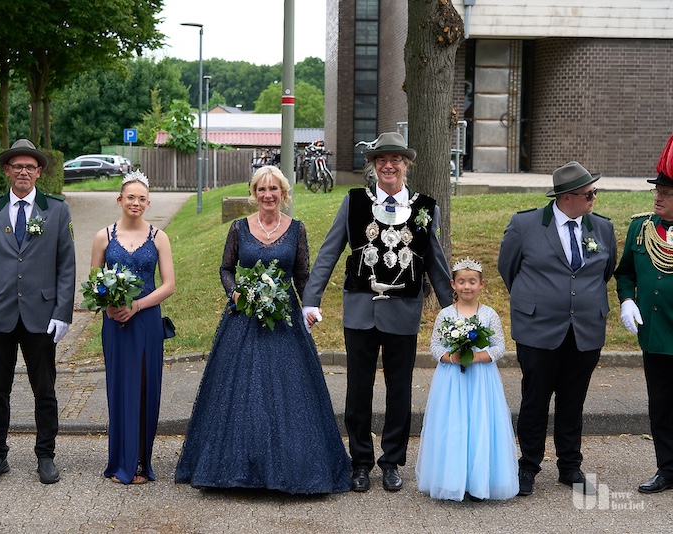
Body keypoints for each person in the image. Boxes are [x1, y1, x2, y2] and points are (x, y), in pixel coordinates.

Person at [175, 165, 351, 494]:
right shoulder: (239, 229)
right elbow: (225, 268)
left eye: (273, 189)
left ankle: (293, 470)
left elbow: (302, 275)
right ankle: (236, 470)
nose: (267, 195)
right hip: (243, 319)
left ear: (284, 194)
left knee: (290, 395)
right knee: (240, 392)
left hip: (283, 320)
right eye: (261, 189)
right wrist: (235, 292)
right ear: (254, 193)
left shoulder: (296, 229)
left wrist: (309, 307)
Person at [302, 132, 453, 492]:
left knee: (399, 389)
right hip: (360, 310)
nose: (389, 165)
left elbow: (435, 260)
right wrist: (312, 298)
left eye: (396, 159)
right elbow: (329, 252)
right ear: (373, 165)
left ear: (406, 164)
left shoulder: (424, 207)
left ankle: (392, 461)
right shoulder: (354, 202)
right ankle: (360, 461)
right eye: (382, 159)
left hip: (403, 310)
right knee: (358, 389)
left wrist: (453, 310)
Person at [497, 161, 616, 497]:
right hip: (538, 329)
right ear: (566, 198)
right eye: (588, 193)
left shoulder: (602, 228)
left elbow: (604, 270)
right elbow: (508, 268)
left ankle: (569, 466)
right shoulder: (525, 224)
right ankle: (528, 465)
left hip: (586, 330)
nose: (594, 197)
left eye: (594, 191)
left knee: (573, 400)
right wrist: (539, 301)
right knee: (534, 399)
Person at [0, 139, 76, 485]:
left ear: (39, 171)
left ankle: (45, 455)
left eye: (30, 166)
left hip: (41, 315)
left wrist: (62, 312)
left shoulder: (57, 210)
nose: (23, 172)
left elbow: (66, 266)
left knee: (44, 390)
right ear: (7, 171)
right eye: (17, 166)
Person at [89, 172, 175, 485]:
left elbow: (169, 285)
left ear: (148, 203)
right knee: (120, 388)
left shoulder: (158, 237)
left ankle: (141, 462)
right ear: (119, 200)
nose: (135, 203)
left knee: (145, 388)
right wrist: (107, 304)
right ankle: (119, 461)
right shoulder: (103, 237)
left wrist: (137, 305)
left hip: (147, 321)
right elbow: (95, 283)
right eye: (130, 197)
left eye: (141, 199)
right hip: (114, 323)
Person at [415, 257, 518, 502]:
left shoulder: (489, 314)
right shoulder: (445, 315)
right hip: (452, 380)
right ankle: (452, 479)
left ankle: (480, 481)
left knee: (481, 422)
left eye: (472, 282)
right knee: (454, 423)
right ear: (453, 284)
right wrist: (454, 357)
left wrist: (477, 357)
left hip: (482, 379)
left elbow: (499, 347)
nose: (467, 287)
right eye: (461, 282)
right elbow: (435, 346)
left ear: (482, 284)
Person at [615, 133, 673, 494]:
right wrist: (626, 300)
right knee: (662, 408)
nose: (657, 198)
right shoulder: (641, 226)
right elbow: (625, 273)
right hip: (655, 336)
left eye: (665, 194)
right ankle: (667, 469)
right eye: (657, 193)